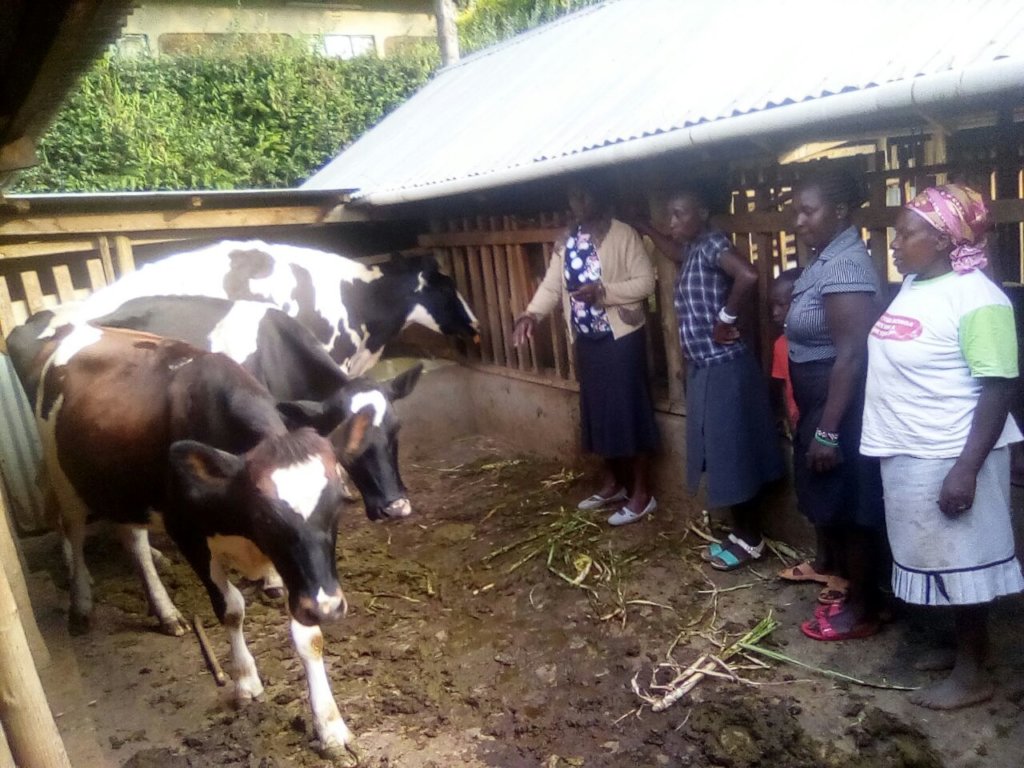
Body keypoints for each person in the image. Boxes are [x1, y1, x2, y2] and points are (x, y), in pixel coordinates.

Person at [861, 184, 1024, 709]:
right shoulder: (916, 284)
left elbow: (998, 385)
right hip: (910, 448)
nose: (894, 242)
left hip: (951, 452)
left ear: (943, 239)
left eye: (907, 233)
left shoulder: (979, 299)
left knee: (963, 558)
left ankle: (974, 674)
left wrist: (966, 469)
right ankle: (963, 652)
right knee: (935, 554)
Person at [634, 187, 783, 570]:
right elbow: (676, 250)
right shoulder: (696, 247)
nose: (673, 222)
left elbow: (747, 275)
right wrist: (647, 227)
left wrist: (726, 318)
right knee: (723, 454)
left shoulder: (714, 243)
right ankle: (741, 532)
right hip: (709, 369)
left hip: (725, 369)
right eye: (670, 215)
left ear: (702, 211)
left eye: (679, 214)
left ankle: (751, 540)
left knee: (731, 456)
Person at [513, 176, 659, 526]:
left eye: (583, 193)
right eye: (572, 195)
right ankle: (614, 484)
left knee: (628, 413)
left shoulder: (622, 234)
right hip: (586, 338)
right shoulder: (567, 240)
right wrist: (531, 312)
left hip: (620, 338)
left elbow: (645, 282)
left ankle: (642, 493)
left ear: (600, 194)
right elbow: (552, 284)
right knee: (598, 412)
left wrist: (602, 293)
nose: (576, 201)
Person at [784, 170, 886, 642]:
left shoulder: (845, 266)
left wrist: (827, 430)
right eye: (796, 211)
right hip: (822, 400)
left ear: (840, 211)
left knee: (852, 506)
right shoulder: (825, 259)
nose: (798, 221)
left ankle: (864, 609)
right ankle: (854, 594)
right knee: (838, 504)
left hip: (839, 404)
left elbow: (851, 353)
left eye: (809, 210)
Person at [770, 268, 802, 436]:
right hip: (797, 425)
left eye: (781, 305)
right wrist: (790, 422)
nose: (775, 312)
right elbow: (784, 388)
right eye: (773, 305)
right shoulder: (780, 345)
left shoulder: (826, 345)